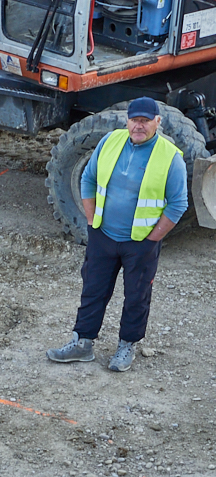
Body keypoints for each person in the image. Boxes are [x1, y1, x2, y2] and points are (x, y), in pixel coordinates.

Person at [47, 97, 188, 372]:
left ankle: (126, 346)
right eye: (134, 120)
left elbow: (178, 203)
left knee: (137, 296)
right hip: (104, 236)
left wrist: (153, 239)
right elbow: (88, 178)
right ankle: (82, 343)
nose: (139, 126)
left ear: (157, 122)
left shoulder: (170, 157)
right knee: (93, 290)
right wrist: (92, 221)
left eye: (145, 121)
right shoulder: (110, 141)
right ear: (127, 120)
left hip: (141, 243)